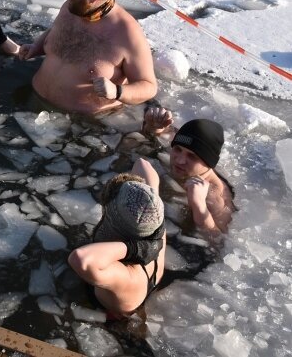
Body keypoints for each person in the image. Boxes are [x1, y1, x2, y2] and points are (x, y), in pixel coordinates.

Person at [18, 0, 157, 114]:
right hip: (34, 101)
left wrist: (117, 91)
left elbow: (148, 86)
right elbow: (56, 31)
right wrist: (36, 47)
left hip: (80, 121)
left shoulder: (127, 33)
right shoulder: (72, 7)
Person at [68, 158, 166, 318]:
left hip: (117, 318)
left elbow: (81, 259)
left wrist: (135, 248)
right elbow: (142, 164)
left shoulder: (128, 276)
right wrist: (145, 192)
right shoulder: (154, 223)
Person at [143, 107, 235, 234]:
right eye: (178, 150)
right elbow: (159, 133)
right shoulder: (179, 148)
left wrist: (199, 205)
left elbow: (219, 242)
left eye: (192, 156)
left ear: (209, 163)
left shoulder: (215, 196)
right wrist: (153, 126)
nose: (179, 160)